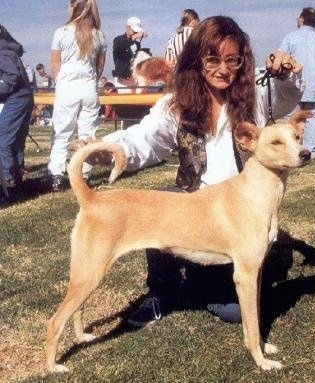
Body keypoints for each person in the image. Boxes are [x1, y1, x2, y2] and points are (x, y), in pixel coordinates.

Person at [98, 16, 304, 327]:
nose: (223, 69)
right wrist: (110, 150)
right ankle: (163, 291)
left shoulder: (256, 98)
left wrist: (284, 72)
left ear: (241, 61)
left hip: (235, 216)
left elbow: (288, 96)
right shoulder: (175, 103)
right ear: (198, 60)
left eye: (232, 60)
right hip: (192, 204)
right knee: (162, 202)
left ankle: (200, 276)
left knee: (233, 312)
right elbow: (145, 139)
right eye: (213, 59)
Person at [47, 0, 106, 192]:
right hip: (88, 86)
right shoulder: (98, 35)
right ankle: (84, 174)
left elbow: (55, 65)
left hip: (67, 86)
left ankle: (57, 175)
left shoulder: (61, 32)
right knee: (87, 133)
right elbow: (100, 66)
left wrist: (61, 82)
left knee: (61, 133)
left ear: (74, 8)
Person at [279, 7, 315, 160]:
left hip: (293, 86)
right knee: (311, 118)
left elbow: (281, 58)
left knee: (292, 120)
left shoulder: (290, 38)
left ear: (302, 19)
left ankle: (291, 150)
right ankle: (310, 151)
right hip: (313, 87)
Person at [0, 25, 34, 205]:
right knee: (15, 143)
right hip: (24, 97)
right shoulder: (7, 49)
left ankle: (9, 184)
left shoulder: (2, 51)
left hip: (16, 99)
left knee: (3, 141)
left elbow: (11, 77)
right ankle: (17, 181)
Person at [112, 16, 147, 87]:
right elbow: (119, 47)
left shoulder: (137, 44)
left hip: (134, 80)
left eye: (137, 31)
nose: (136, 33)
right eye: (134, 31)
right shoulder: (118, 40)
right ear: (127, 27)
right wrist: (133, 38)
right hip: (122, 81)